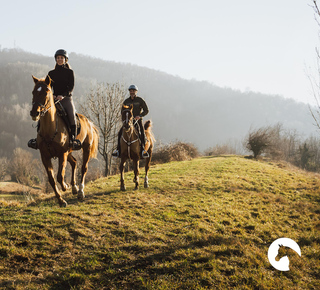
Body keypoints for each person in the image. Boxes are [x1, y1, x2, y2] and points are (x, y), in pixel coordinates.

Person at [28, 49, 81, 150]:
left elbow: (71, 87)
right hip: (54, 99)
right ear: (56, 59)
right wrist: (52, 96)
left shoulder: (70, 72)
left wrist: (62, 95)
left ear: (65, 60)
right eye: (58, 58)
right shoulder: (51, 73)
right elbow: (48, 88)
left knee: (71, 115)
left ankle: (73, 140)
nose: (59, 59)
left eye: (61, 58)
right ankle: (37, 139)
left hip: (66, 99)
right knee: (43, 113)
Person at [112, 84, 149, 158]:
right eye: (131, 91)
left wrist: (140, 116)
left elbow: (146, 110)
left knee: (142, 134)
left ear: (136, 92)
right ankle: (118, 150)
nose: (132, 92)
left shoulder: (140, 100)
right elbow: (122, 112)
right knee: (120, 133)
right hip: (128, 122)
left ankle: (143, 151)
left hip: (137, 121)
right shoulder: (126, 101)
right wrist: (124, 119)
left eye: (133, 91)